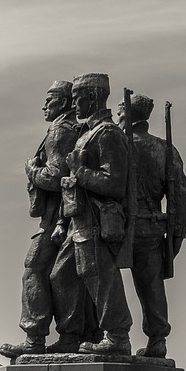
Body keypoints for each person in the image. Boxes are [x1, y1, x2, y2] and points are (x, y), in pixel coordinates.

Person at [50, 72, 134, 355]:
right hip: (78, 219)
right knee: (62, 276)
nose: (74, 105)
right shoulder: (87, 133)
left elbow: (114, 183)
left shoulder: (108, 134)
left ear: (94, 97)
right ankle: (70, 335)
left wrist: (80, 170)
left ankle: (118, 336)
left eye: (77, 98)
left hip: (97, 220)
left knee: (101, 276)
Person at [0, 81, 81, 358]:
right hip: (66, 215)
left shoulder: (60, 130)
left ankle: (35, 339)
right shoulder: (70, 127)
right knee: (65, 276)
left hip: (59, 217)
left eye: (51, 100)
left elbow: (56, 176)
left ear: (65, 102)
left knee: (34, 268)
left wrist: (32, 171)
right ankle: (71, 335)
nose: (44, 106)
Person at [117, 94, 186, 358]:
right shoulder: (165, 149)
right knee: (152, 286)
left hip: (119, 229)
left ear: (128, 113)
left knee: (106, 280)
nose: (117, 116)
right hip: (152, 228)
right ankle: (157, 340)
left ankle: (113, 335)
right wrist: (177, 233)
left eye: (119, 110)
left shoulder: (119, 145)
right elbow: (180, 197)